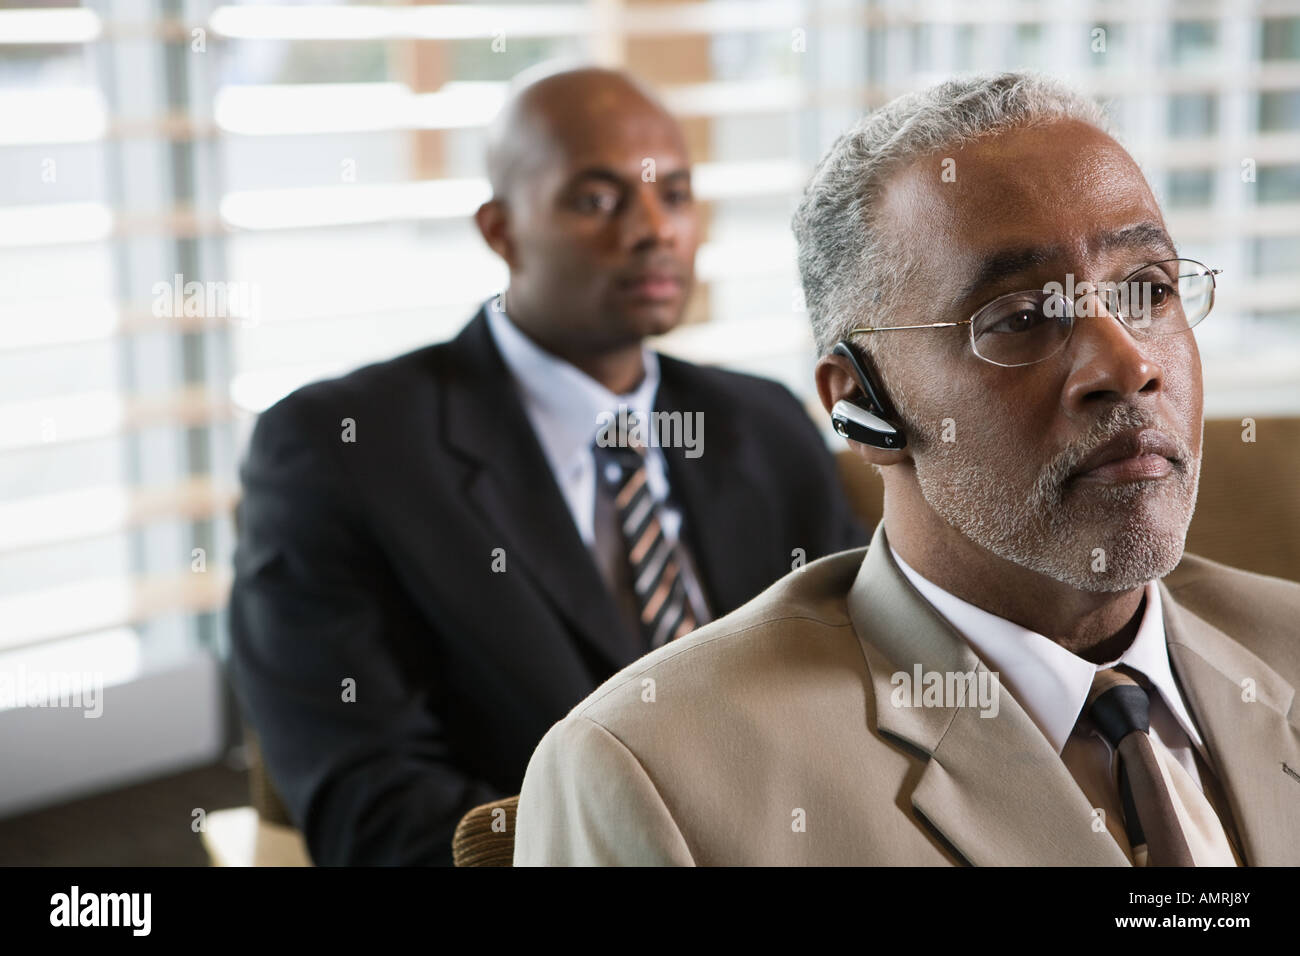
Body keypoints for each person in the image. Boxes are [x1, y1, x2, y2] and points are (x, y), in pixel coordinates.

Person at [513, 72, 1300, 866]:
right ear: (863, 400)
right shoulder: (651, 775)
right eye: (1021, 317)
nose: (1127, 365)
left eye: (1148, 289)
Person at [227, 66, 867, 866]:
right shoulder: (340, 448)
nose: (653, 230)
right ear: (500, 230)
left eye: (674, 194)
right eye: (597, 200)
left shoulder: (761, 422)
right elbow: (372, 805)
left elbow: (858, 682)